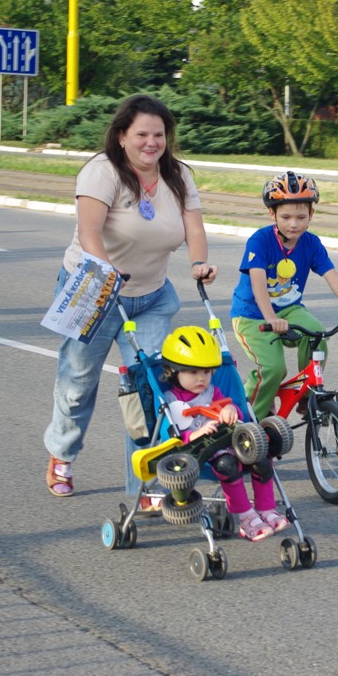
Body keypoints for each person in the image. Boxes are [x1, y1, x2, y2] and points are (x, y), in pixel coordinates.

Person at [44, 94, 218, 508]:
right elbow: (89, 233)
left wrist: (199, 263)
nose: (151, 142)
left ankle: (147, 484)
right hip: (93, 289)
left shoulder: (177, 175)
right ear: (122, 136)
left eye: (158, 134)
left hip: (153, 296)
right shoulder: (101, 172)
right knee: (77, 382)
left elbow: (194, 226)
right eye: (141, 134)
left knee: (151, 390)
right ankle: (62, 457)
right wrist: (107, 273)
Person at [230, 171, 338, 423]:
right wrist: (270, 317)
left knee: (317, 335)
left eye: (301, 217)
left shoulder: (311, 243)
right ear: (272, 214)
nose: (293, 224)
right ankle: (248, 418)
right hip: (253, 316)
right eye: (285, 217)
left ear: (311, 215)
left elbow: (333, 277)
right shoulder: (260, 240)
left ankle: (307, 396)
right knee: (273, 369)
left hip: (290, 309)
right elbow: (257, 282)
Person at [160, 325, 285, 541]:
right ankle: (246, 517)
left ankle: (266, 509)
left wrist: (230, 410)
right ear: (174, 371)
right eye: (193, 372)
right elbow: (175, 439)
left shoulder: (211, 391)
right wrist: (197, 434)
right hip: (200, 454)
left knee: (263, 457)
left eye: (207, 372)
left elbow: (232, 408)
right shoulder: (172, 400)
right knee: (227, 464)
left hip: (230, 442)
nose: (201, 378)